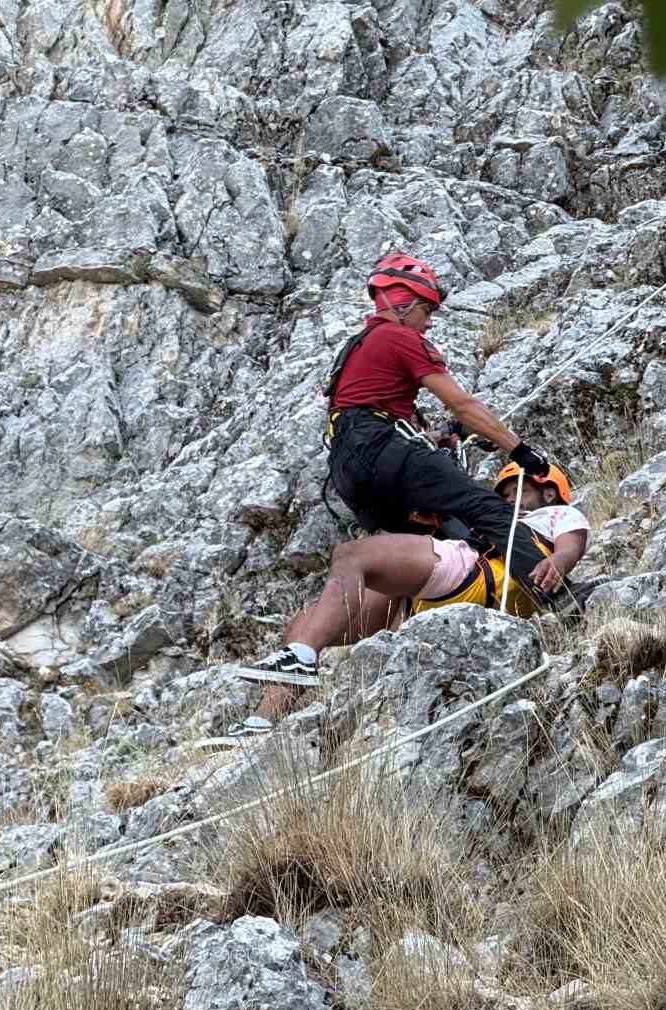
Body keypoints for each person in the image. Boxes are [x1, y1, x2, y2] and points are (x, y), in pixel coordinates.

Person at [219, 463, 590, 739]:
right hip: (424, 601)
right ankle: (262, 721)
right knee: (307, 622)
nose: (508, 498)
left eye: (518, 490)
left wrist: (559, 561)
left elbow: (571, 542)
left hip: (471, 572)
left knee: (351, 556)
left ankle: (299, 661)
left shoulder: (556, 514)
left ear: (549, 492)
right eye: (503, 495)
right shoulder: (487, 519)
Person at [311, 251, 555, 637]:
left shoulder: (358, 349)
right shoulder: (399, 336)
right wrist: (518, 448)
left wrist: (441, 438)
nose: (429, 321)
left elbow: (377, 416)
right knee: (484, 508)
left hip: (350, 473)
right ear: (400, 303)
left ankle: (451, 621)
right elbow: (462, 403)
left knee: (437, 541)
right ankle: (559, 600)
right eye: (426, 309)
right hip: (380, 448)